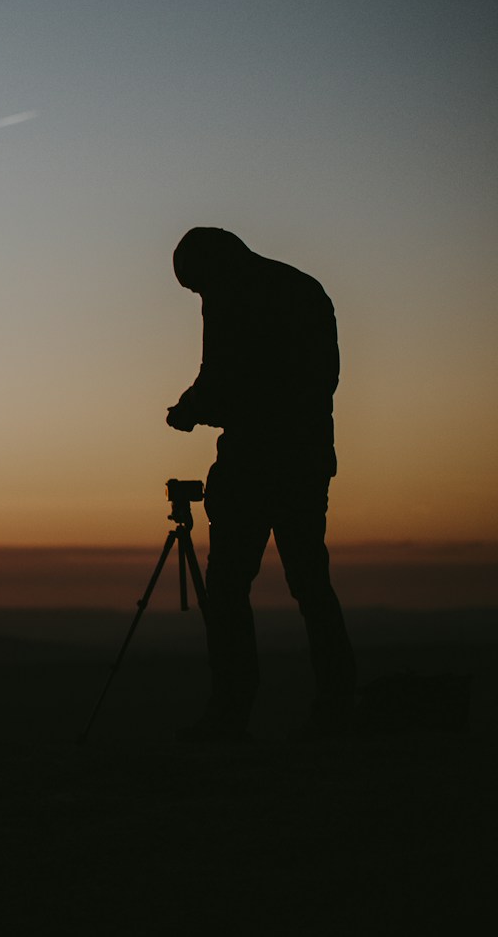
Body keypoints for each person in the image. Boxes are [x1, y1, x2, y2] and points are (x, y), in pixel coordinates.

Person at [166, 227, 356, 740]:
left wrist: (188, 411)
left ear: (209, 267)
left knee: (227, 588)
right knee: (312, 586)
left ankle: (230, 711)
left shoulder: (230, 296)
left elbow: (225, 379)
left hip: (255, 463)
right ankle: (337, 707)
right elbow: (319, 379)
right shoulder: (302, 288)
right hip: (306, 458)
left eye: (196, 287)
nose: (199, 297)